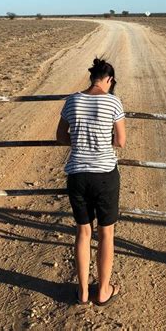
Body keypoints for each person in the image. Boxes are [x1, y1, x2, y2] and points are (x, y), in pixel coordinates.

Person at [56, 57, 126, 307]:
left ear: (92, 77)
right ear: (108, 79)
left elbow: (60, 136)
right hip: (105, 175)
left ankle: (84, 292)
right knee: (106, 234)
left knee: (83, 233)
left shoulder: (73, 100)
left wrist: (81, 142)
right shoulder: (113, 102)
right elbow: (120, 141)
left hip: (78, 175)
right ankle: (104, 291)